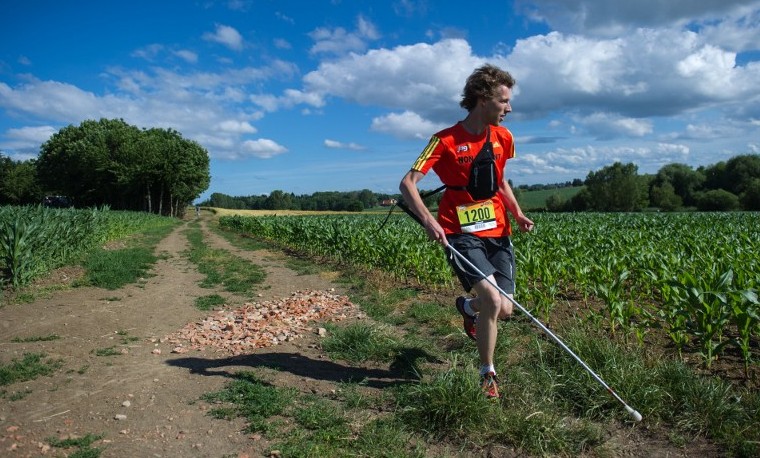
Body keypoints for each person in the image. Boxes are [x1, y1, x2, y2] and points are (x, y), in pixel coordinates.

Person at [399, 64, 534, 399]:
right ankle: (488, 374)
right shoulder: (444, 140)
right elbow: (408, 183)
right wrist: (430, 221)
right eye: (503, 100)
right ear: (481, 98)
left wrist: (517, 213)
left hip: (498, 231)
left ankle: (468, 308)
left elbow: (500, 180)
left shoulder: (505, 137)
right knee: (491, 298)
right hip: (460, 232)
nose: (509, 108)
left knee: (504, 308)